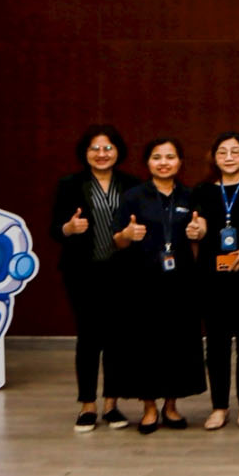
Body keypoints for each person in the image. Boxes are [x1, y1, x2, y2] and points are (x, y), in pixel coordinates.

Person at [113, 138, 208, 434]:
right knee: (146, 346)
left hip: (181, 283)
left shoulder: (190, 195)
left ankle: (171, 405)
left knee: (178, 344)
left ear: (180, 162)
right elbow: (118, 240)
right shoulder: (133, 196)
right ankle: (149, 408)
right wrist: (127, 234)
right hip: (143, 282)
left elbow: (201, 230)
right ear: (148, 162)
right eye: (157, 157)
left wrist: (199, 230)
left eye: (170, 157)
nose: (163, 162)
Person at [52, 125, 140, 432]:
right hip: (83, 272)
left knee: (117, 339)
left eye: (108, 148)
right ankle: (87, 405)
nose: (101, 154)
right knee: (88, 338)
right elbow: (55, 229)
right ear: (85, 153)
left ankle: (111, 405)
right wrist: (68, 228)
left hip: (122, 272)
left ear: (118, 152)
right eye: (95, 148)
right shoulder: (70, 184)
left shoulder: (132, 184)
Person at [192, 131, 239, 430]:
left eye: (235, 151)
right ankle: (219, 407)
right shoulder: (202, 190)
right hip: (213, 278)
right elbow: (199, 226)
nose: (229, 157)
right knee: (216, 345)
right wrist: (196, 230)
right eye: (222, 152)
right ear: (214, 157)